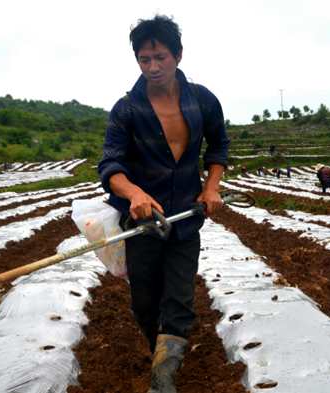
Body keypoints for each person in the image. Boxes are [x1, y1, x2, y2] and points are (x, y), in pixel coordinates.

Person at [97, 15, 230, 392]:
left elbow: (218, 146)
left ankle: (162, 381)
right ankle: (161, 354)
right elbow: (110, 164)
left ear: (178, 56)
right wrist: (134, 193)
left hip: (187, 219)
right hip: (143, 224)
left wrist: (211, 187)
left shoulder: (203, 100)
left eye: (160, 58)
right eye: (144, 59)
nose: (153, 67)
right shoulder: (126, 109)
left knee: (180, 300)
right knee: (145, 305)